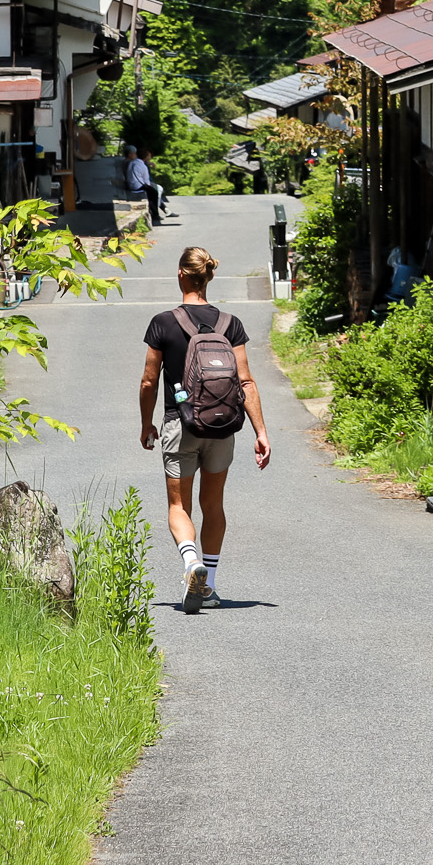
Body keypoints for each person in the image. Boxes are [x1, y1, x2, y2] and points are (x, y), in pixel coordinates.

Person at [139, 246, 269, 612]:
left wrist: (147, 424)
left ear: (181, 274)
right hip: (222, 427)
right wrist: (260, 431)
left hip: (180, 424)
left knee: (178, 505)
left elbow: (149, 381)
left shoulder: (163, 323)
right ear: (208, 276)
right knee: (213, 504)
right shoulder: (230, 324)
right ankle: (208, 584)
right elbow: (246, 381)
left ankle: (190, 562)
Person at [125, 144, 164, 223]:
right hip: (137, 186)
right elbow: (146, 181)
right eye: (149, 156)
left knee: (152, 191)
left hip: (131, 184)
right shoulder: (142, 166)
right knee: (153, 192)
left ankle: (156, 212)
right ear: (146, 157)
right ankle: (155, 214)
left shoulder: (133, 163)